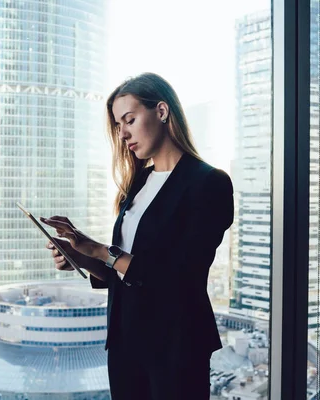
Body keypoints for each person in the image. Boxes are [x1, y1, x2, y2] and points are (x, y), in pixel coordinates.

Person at [41, 72, 234, 400]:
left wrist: (102, 250)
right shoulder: (139, 184)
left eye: (129, 119)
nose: (123, 133)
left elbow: (178, 276)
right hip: (126, 345)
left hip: (175, 347)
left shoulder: (209, 183)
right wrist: (83, 256)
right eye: (118, 125)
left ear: (161, 111)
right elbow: (127, 273)